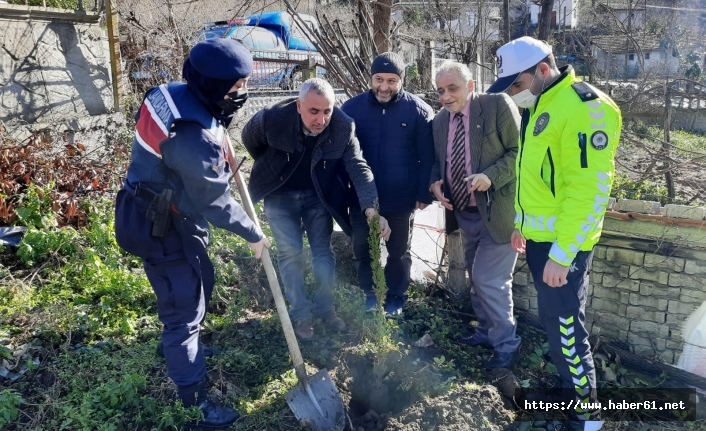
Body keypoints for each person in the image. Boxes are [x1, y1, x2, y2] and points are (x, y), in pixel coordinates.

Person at [114, 39, 271, 428]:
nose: (242, 94)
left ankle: (190, 348)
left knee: (198, 284)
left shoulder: (170, 93)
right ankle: (194, 400)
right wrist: (254, 234)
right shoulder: (190, 134)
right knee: (182, 310)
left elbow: (202, 142)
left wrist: (219, 137)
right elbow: (214, 201)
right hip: (160, 226)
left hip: (162, 207)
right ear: (212, 85)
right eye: (235, 89)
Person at [487, 36, 622, 431]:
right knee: (554, 321)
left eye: (516, 84)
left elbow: (589, 190)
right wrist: (521, 224)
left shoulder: (585, 108)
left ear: (542, 71)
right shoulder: (543, 102)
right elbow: (536, 178)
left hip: (564, 247)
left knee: (566, 330)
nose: (513, 94)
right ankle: (570, 394)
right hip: (541, 240)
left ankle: (587, 417)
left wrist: (563, 254)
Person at [242, 78, 390, 341]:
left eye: (327, 111)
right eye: (314, 111)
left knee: (323, 251)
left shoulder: (343, 126)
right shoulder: (272, 119)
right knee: (289, 253)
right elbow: (251, 141)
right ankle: (301, 314)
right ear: (299, 106)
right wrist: (274, 169)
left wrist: (371, 208)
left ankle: (325, 308)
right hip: (280, 194)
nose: (321, 119)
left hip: (318, 195)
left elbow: (358, 166)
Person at [429, 61, 522, 370]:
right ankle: (484, 331)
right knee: (477, 279)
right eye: (440, 90)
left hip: (499, 213)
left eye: (452, 88)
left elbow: (520, 153)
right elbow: (436, 160)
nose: (445, 96)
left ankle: (507, 345)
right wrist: (435, 183)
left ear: (470, 85)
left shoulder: (496, 105)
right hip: (465, 213)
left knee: (489, 280)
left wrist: (491, 176)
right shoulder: (440, 121)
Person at [341, 52, 435, 317]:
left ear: (401, 80)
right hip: (360, 199)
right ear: (370, 78)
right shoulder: (351, 109)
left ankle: (395, 297)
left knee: (398, 253)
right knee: (362, 250)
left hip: (400, 199)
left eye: (391, 80)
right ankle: (370, 295)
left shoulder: (418, 111)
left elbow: (426, 157)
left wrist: (422, 193)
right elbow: (341, 156)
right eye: (378, 79)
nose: (384, 87)